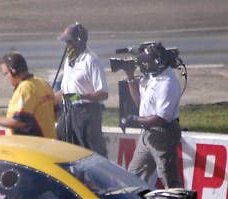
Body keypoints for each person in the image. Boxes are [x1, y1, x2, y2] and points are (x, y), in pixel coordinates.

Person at [121, 42, 183, 189]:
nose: (143, 65)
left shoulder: (167, 83)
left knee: (168, 177)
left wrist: (135, 120)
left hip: (163, 134)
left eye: (146, 62)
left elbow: (161, 119)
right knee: (133, 176)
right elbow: (140, 103)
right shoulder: (150, 77)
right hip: (148, 133)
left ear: (158, 62)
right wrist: (130, 77)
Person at [54, 22, 108, 156]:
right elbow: (65, 91)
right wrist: (48, 100)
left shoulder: (91, 60)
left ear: (78, 41)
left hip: (87, 114)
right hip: (68, 111)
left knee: (91, 151)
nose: (66, 45)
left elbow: (103, 94)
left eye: (68, 41)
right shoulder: (69, 60)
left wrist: (79, 96)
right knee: (61, 144)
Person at [0, 51, 56, 139]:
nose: (6, 78)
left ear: (14, 71)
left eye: (6, 74)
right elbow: (55, 111)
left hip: (32, 146)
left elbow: (18, 122)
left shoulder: (25, 89)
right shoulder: (42, 83)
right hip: (49, 143)